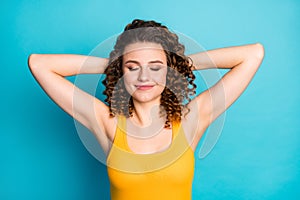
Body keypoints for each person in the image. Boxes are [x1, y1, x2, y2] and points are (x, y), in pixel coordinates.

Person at [28, 19, 264, 200]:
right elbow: (39, 64)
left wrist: (178, 62)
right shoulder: (106, 122)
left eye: (155, 67)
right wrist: (115, 65)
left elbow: (253, 54)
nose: (143, 76)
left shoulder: (192, 119)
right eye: (133, 68)